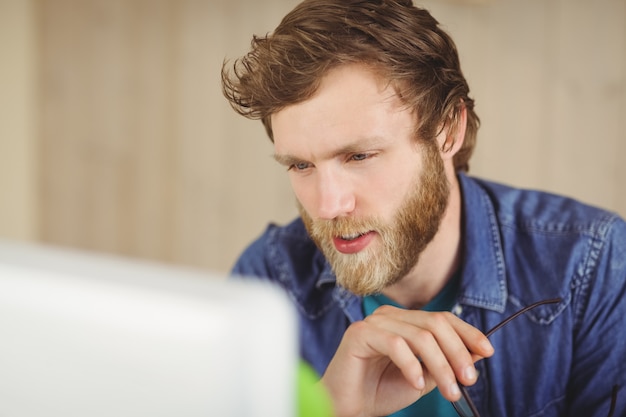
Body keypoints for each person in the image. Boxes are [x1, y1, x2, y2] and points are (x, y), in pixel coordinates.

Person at [221, 0, 626, 416]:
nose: (328, 206)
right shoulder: (268, 283)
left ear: (448, 130)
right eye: (301, 165)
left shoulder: (589, 266)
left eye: (359, 156)